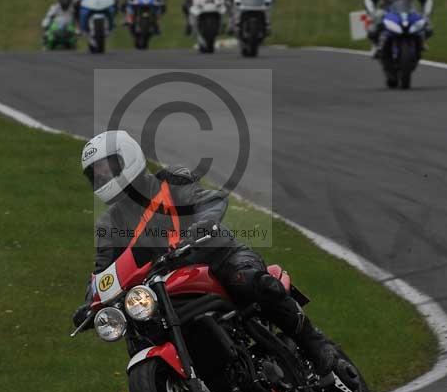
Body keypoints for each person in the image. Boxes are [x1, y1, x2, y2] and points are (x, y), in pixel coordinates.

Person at [72, 131, 337, 377]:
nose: (103, 178)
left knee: (251, 282)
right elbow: (103, 269)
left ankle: (314, 342)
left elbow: (208, 200)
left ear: (127, 157)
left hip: (213, 257)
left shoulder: (170, 180)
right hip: (161, 286)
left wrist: (201, 226)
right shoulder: (109, 224)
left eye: (107, 168)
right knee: (140, 332)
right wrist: (91, 303)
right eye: (96, 174)